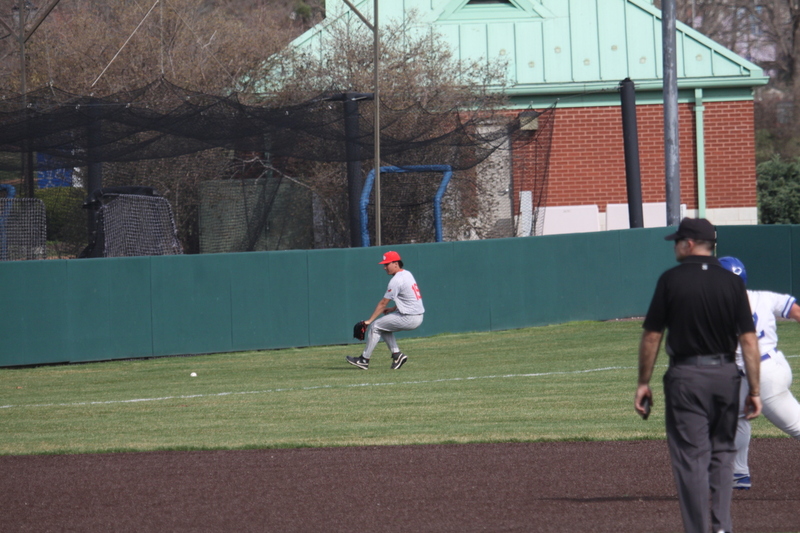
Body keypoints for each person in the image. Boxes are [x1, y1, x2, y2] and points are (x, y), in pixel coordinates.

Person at [634, 217, 762, 533]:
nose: (675, 246)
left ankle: (698, 530)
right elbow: (748, 340)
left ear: (689, 244)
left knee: (691, 458)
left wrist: (643, 383)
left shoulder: (671, 280)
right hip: (725, 377)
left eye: (678, 241)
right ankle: (722, 528)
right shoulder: (732, 282)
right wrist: (755, 391)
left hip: (686, 377)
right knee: (722, 454)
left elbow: (652, 336)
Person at [718, 256, 800, 490]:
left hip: (764, 377)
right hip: (770, 366)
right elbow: (796, 311)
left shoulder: (717, 308)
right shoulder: (763, 297)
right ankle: (738, 475)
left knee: (796, 425)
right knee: (734, 417)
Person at [347, 251, 424, 370]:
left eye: (387, 264)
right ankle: (397, 355)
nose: (384, 267)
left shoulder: (396, 280)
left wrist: (369, 321)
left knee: (375, 326)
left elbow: (383, 303)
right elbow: (408, 298)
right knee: (383, 327)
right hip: (416, 315)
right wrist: (393, 308)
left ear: (396, 263)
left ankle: (364, 359)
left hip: (409, 317)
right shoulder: (407, 274)